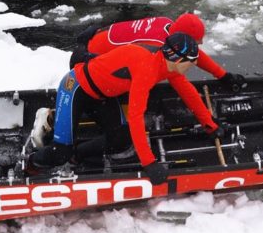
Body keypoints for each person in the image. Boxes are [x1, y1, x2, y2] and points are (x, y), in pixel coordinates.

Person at [29, 33, 224, 185]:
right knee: (59, 153)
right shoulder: (147, 69)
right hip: (76, 87)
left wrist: (210, 124)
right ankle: (30, 163)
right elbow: (136, 116)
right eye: (193, 59)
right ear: (178, 60)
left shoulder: (166, 63)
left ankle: (75, 155)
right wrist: (149, 163)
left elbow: (188, 91)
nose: (196, 63)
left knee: (121, 139)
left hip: (102, 94)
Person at [70, 12, 246, 90]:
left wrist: (222, 75)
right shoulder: (157, 47)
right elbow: (178, 79)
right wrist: (209, 124)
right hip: (87, 61)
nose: (198, 46)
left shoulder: (166, 23)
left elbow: (191, 54)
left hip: (92, 40)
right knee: (146, 77)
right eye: (196, 42)